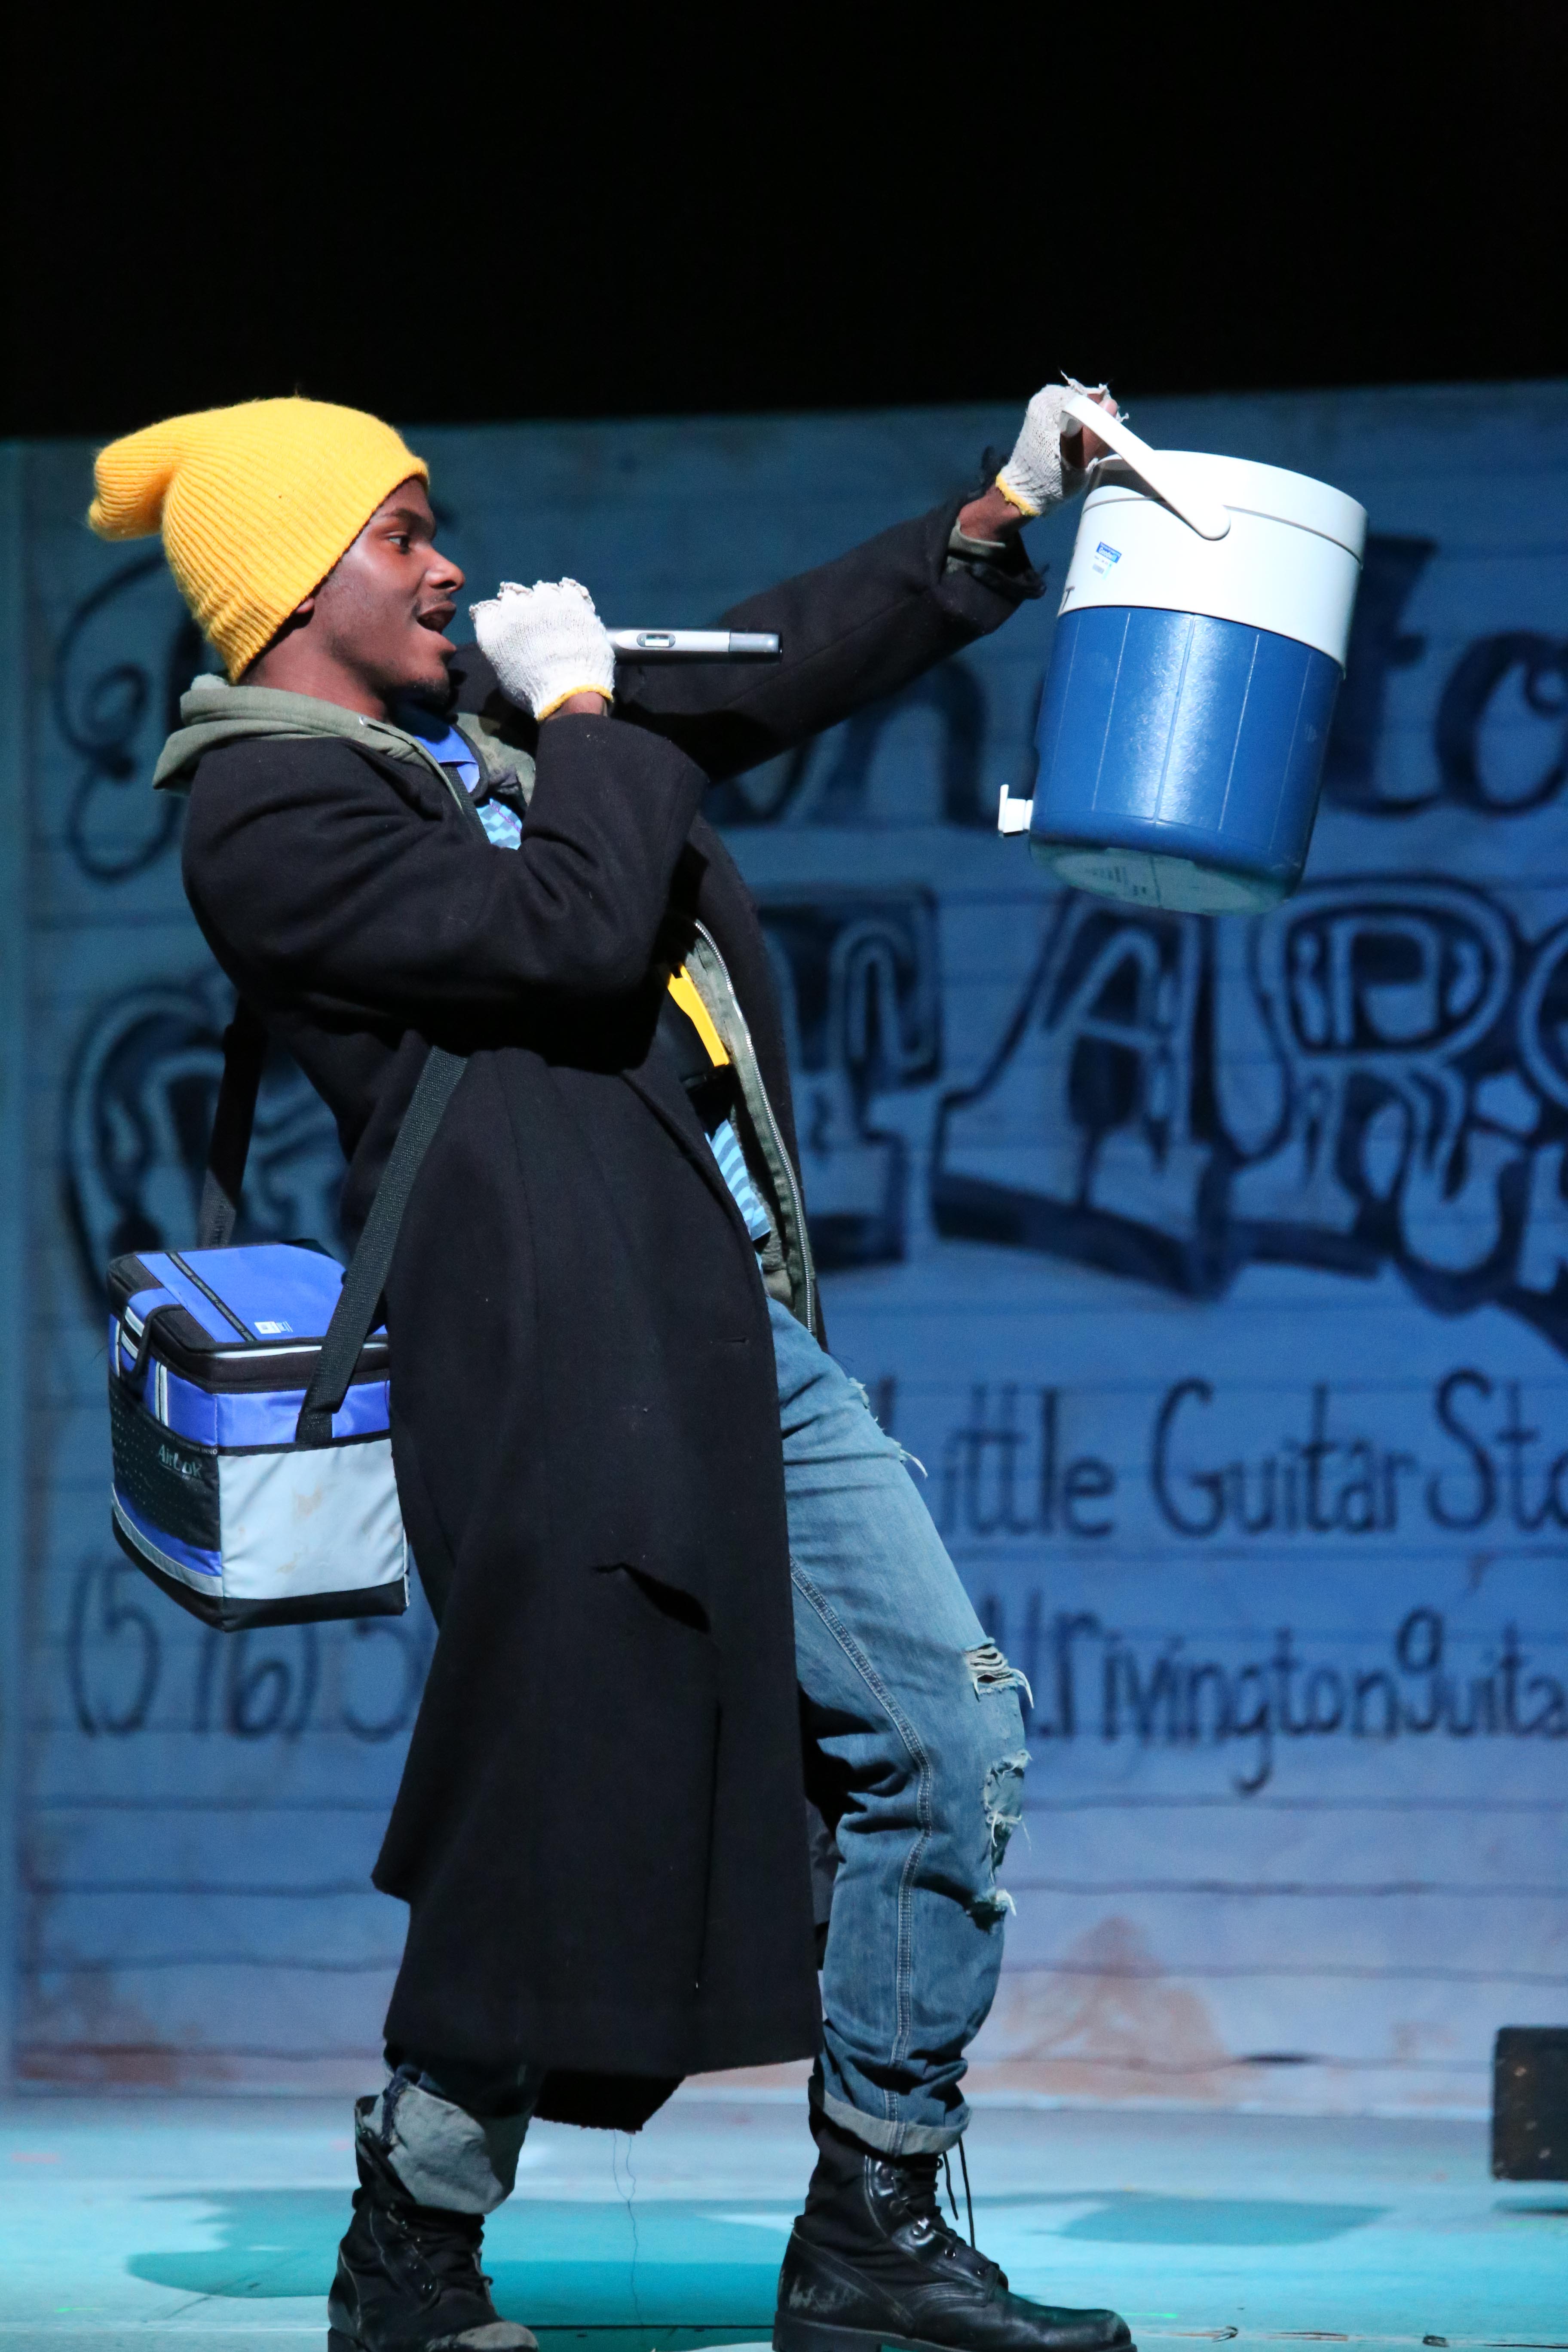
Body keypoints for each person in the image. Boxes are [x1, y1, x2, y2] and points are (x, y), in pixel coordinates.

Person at [90, 385, 1132, 2352]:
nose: (448, 567)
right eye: (403, 534)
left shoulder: (489, 734)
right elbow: (568, 937)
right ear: (295, 582)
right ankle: (412, 2251)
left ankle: (874, 2226)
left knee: (946, 1732)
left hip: (724, 1334)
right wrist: (578, 714)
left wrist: (996, 514)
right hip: (552, 1360)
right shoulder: (269, 816)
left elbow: (760, 665)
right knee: (560, 1804)